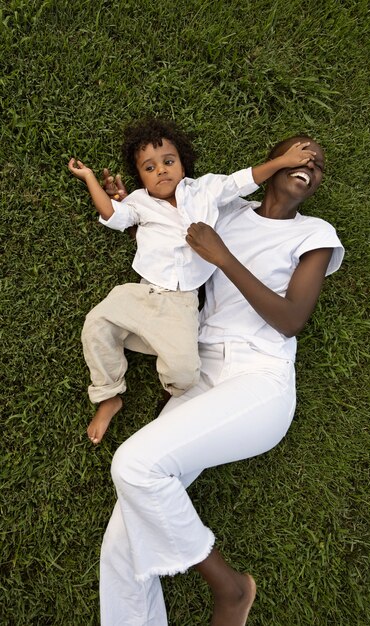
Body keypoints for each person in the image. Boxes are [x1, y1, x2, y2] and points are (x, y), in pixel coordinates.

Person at [98, 134, 344, 625]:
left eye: (317, 164)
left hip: (259, 381)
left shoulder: (315, 232)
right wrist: (131, 207)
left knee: (134, 465)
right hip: (202, 370)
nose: (309, 163)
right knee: (122, 540)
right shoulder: (225, 211)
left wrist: (224, 258)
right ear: (274, 162)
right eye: (301, 153)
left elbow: (293, 318)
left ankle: (228, 588)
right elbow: (170, 246)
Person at [68, 118, 317, 444]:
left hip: (182, 304)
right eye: (149, 167)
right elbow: (114, 216)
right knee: (96, 325)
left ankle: (165, 354)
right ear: (141, 177)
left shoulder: (206, 190)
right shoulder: (139, 203)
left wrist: (283, 162)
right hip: (141, 293)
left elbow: (244, 181)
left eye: (168, 162)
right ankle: (108, 395)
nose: (161, 170)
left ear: (183, 164)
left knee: (185, 376)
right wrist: (90, 179)